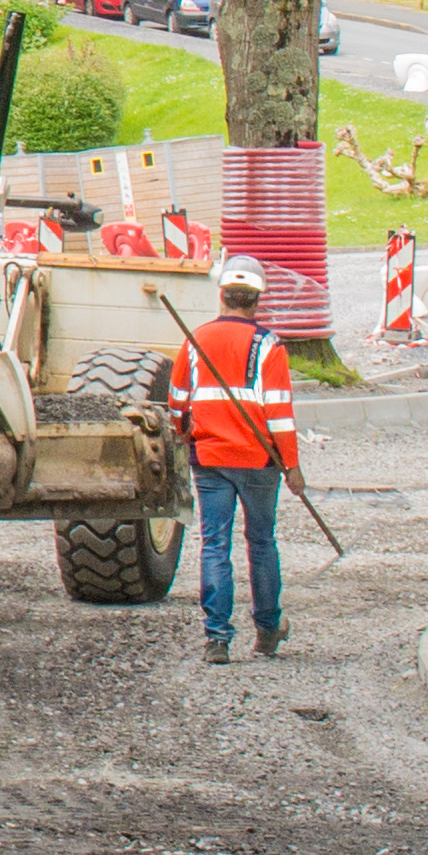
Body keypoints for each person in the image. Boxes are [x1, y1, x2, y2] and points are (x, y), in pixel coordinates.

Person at [172, 259, 299, 660]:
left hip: (209, 458)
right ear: (256, 301)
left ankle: (217, 638)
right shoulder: (269, 345)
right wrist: (292, 465)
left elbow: (177, 401)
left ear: (222, 295)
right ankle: (267, 628)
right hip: (259, 460)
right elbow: (279, 411)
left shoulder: (195, 340)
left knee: (215, 545)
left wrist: (184, 433)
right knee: (261, 542)